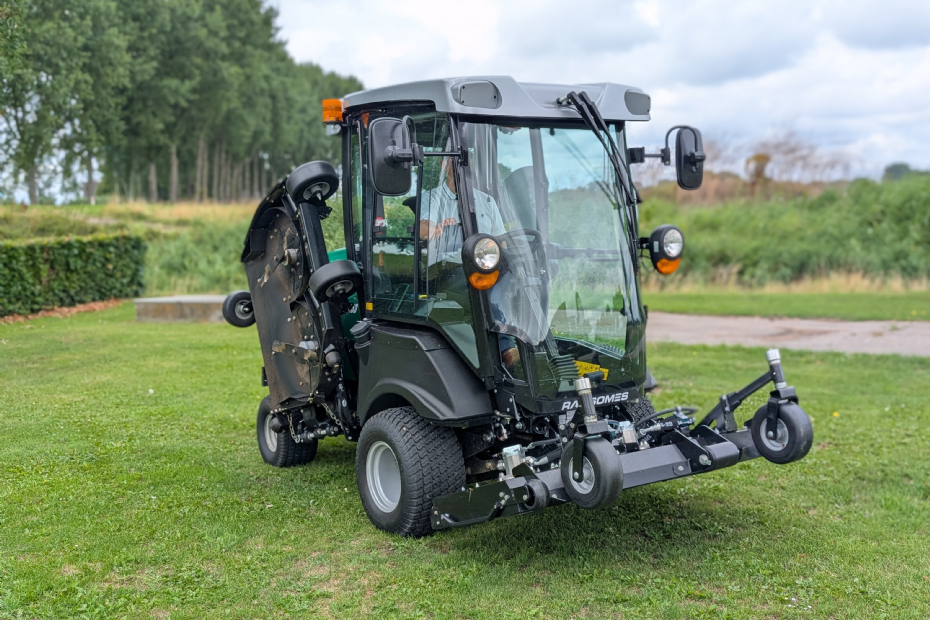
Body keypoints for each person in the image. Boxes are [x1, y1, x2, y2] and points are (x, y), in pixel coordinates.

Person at [417, 157, 520, 371]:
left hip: (487, 267)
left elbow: (500, 241)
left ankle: (530, 343)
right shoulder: (431, 198)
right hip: (447, 271)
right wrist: (437, 229)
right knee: (485, 285)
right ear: (443, 165)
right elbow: (423, 228)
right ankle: (504, 348)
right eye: (451, 161)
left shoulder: (486, 201)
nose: (458, 166)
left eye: (464, 161)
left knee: (518, 274)